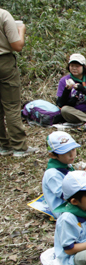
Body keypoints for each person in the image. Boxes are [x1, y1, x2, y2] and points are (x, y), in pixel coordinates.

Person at [42, 131, 86, 216]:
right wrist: (81, 178)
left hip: (78, 197)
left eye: (73, 149)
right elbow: (68, 196)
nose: (72, 155)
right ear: (52, 155)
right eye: (65, 152)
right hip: (68, 206)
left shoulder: (65, 164)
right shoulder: (52, 175)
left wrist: (82, 174)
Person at [0, 8, 37, 157]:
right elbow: (17, 45)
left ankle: (3, 145)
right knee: (11, 106)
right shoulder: (3, 15)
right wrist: (21, 30)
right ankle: (19, 147)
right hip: (4, 63)